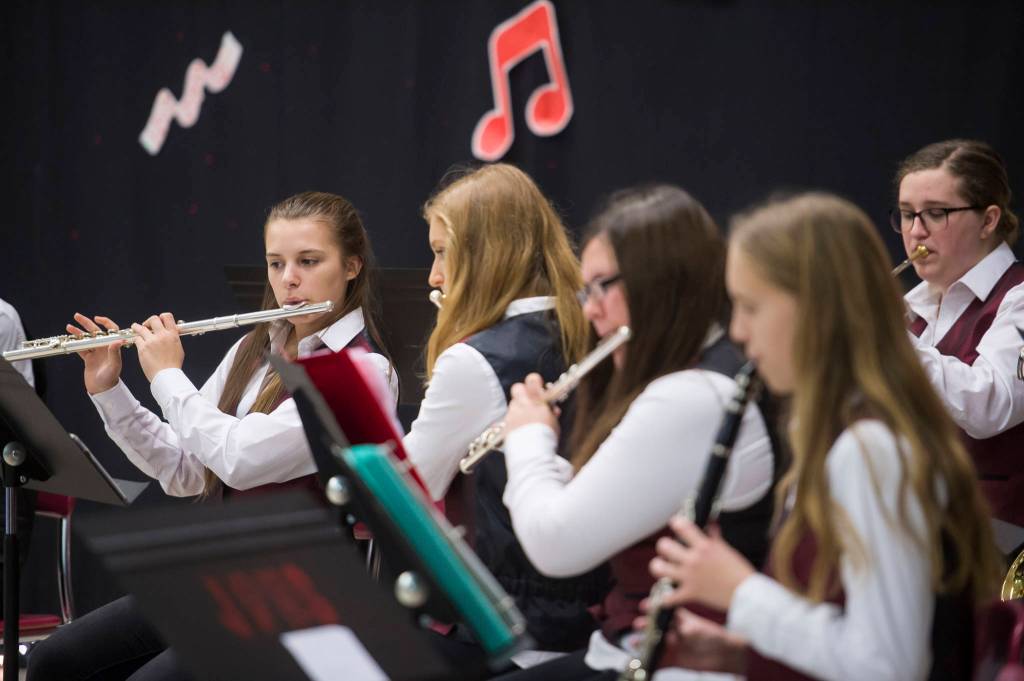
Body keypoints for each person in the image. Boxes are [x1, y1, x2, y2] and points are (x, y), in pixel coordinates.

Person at [27, 190, 396, 681]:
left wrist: (165, 376)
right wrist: (109, 389)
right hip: (219, 579)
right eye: (275, 263)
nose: (288, 280)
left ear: (351, 266)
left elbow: (239, 460)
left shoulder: (364, 370)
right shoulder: (253, 348)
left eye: (309, 261)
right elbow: (185, 471)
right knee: (54, 660)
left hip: (297, 597)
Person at [649, 193, 1001, 680]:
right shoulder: (843, 435)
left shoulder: (871, 450)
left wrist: (740, 592)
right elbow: (842, 629)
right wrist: (736, 654)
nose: (738, 331)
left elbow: (889, 667)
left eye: (751, 307)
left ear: (817, 309)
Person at [489, 185, 777, 681]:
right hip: (629, 645)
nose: (590, 310)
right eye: (586, 290)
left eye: (603, 286)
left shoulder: (693, 396)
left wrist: (528, 437)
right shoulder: (686, 380)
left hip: (680, 660)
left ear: (659, 284)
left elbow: (555, 545)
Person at [403, 163, 603, 664]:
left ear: (484, 255)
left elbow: (405, 492)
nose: (434, 276)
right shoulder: (595, 324)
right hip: (599, 617)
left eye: (442, 254)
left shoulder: (473, 360)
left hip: (514, 630)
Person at [893, 139, 1024, 525]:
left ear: (989, 220)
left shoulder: (1018, 299)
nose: (916, 231)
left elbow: (992, 404)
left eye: (936, 213)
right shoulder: (912, 310)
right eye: (906, 215)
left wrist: (887, 337)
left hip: (997, 541)